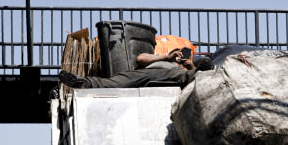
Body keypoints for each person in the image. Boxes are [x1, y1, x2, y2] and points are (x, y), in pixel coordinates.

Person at [59, 48, 212, 89]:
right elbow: (140, 59)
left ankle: (199, 73)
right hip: (146, 73)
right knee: (117, 82)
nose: (179, 56)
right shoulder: (161, 57)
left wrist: (188, 65)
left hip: (173, 75)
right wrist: (167, 57)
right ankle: (84, 83)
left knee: (186, 76)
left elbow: (186, 73)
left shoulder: (179, 68)